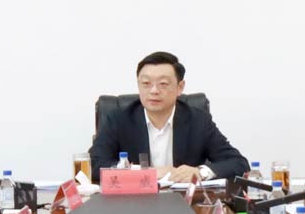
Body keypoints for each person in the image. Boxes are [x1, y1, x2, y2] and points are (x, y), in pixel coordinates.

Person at [89, 51, 249, 183]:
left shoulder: (198, 120)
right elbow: (93, 165)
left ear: (180, 87)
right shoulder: (119, 119)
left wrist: (200, 172)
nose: (154, 91)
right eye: (146, 83)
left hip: (185, 205)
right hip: (133, 205)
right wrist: (148, 173)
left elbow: (238, 163)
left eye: (163, 84)